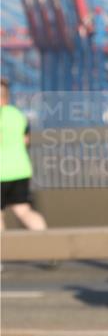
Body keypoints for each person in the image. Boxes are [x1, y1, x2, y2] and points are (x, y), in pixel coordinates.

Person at [0, 79, 48, 234]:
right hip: (21, 169)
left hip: (2, 172)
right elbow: (25, 140)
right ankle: (51, 246)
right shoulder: (18, 115)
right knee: (23, 210)